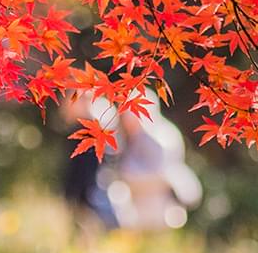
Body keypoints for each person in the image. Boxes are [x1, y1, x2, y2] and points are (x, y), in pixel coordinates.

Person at [110, 94, 201, 230]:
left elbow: (160, 174)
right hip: (141, 207)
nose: (126, 119)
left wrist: (127, 177)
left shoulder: (158, 137)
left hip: (159, 208)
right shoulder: (134, 136)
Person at [60, 92, 119, 230]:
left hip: (93, 192)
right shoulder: (86, 128)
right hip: (90, 190)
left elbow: (86, 169)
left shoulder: (92, 130)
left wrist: (72, 192)